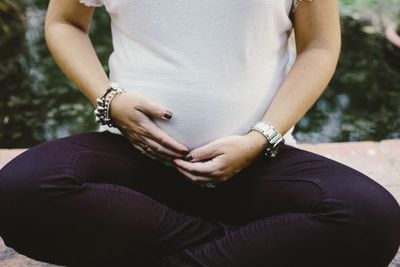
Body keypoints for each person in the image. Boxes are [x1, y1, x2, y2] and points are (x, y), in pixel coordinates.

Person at [0, 0, 399, 266]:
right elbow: (65, 22)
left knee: (373, 219)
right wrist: (109, 100)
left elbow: (320, 46)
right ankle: (244, 244)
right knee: (18, 192)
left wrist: (261, 138)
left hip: (257, 164)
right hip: (135, 162)